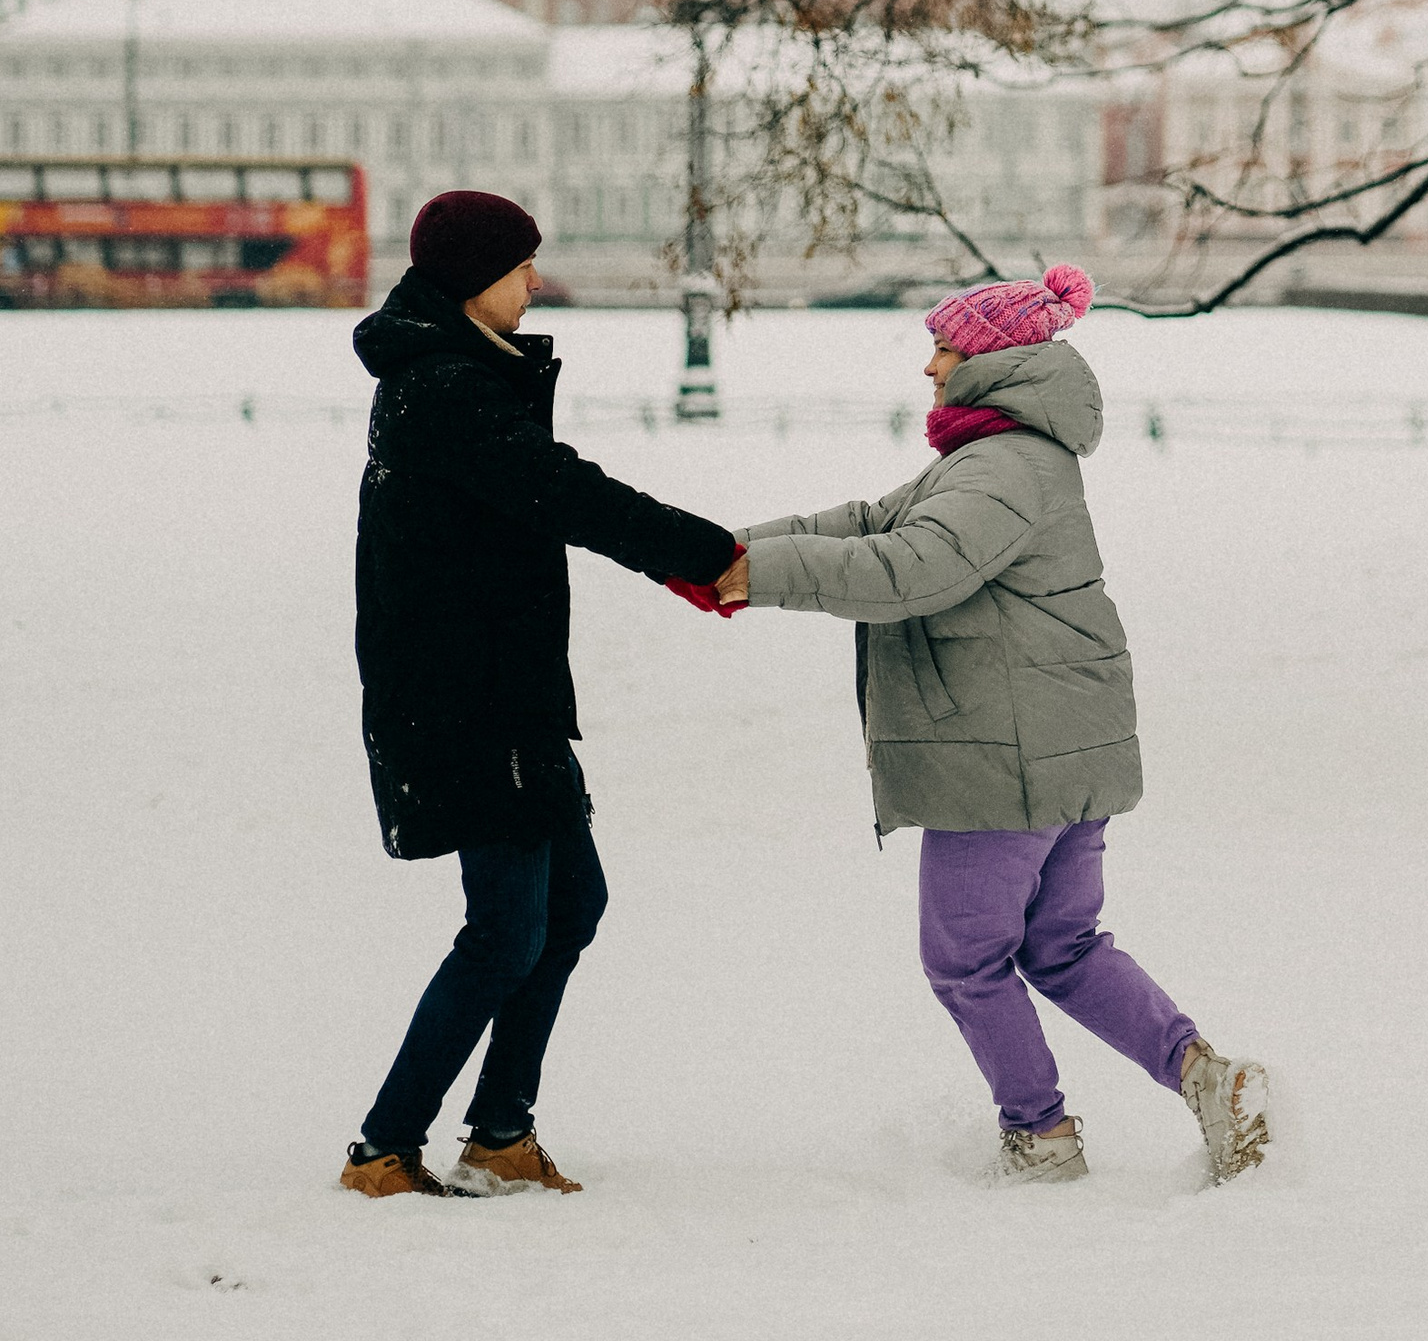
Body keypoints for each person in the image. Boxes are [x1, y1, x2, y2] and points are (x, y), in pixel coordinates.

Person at [717, 261, 1270, 1185]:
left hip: (1008, 753)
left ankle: (1041, 1138)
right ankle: (1204, 1078)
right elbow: (869, 519)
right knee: (1061, 944)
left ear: (998, 362)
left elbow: (913, 568)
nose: (929, 368)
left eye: (945, 349)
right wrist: (725, 551)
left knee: (966, 960)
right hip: (1054, 743)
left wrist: (759, 577)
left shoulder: (1005, 466)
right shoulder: (996, 458)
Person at [337, 188, 741, 1199]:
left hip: (504, 693)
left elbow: (541, 500)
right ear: (475, 279)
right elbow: (563, 492)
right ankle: (385, 1149)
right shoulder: (444, 390)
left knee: (568, 906)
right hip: (466, 698)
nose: (533, 281)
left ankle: (501, 1132)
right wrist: (701, 556)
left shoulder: (467, 375)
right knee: (506, 931)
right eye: (519, 267)